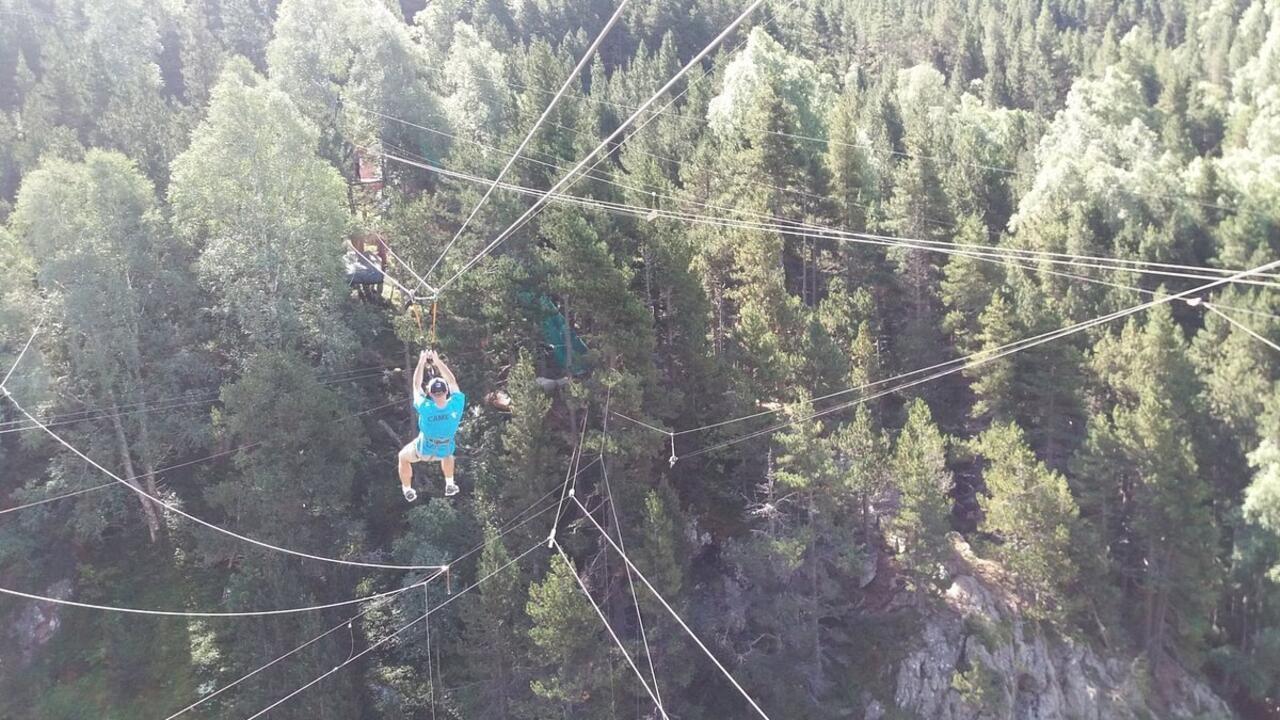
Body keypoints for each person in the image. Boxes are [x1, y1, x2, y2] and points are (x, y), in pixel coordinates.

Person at [398, 349, 465, 501]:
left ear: (430, 394)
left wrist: (421, 361)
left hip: (424, 449)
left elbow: (416, 385)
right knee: (449, 454)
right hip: (444, 448)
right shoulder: (456, 405)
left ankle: (407, 489)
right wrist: (437, 361)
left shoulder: (425, 407)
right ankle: (449, 483)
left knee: (403, 456)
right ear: (447, 391)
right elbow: (452, 381)